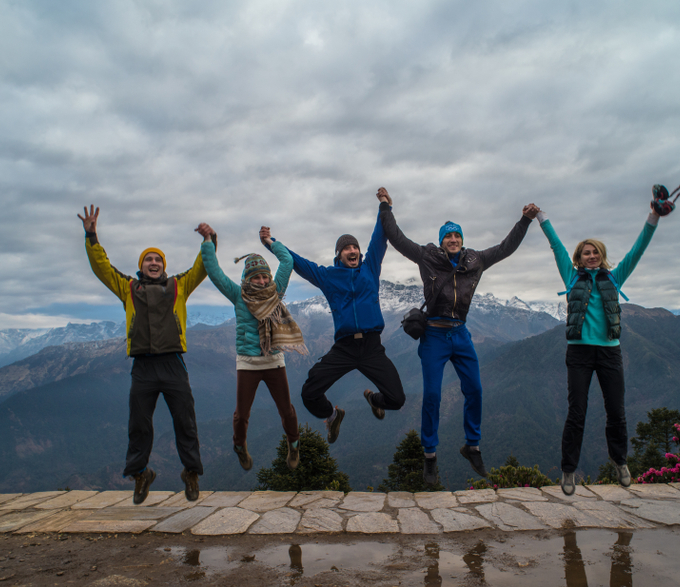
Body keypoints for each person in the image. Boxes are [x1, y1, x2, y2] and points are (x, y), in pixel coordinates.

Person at [377, 187, 539, 486]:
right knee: (433, 396)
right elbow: (397, 239)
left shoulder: (475, 260)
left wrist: (524, 222)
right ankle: (429, 457)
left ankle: (472, 446)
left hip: (461, 335)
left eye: (457, 236)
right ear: (441, 241)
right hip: (435, 335)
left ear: (462, 240)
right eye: (448, 236)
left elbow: (505, 248)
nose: (453, 240)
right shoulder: (427, 257)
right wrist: (386, 207)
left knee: (475, 390)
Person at [78, 204, 208, 504]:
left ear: (163, 265)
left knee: (185, 421)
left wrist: (208, 241)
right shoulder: (129, 288)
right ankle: (140, 475)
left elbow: (201, 267)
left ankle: (191, 472)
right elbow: (102, 268)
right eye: (148, 259)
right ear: (142, 266)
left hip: (173, 363)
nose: (153, 262)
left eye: (157, 259)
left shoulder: (178, 286)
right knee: (139, 424)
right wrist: (92, 237)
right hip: (143, 367)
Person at [537, 201, 663, 495]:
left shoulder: (614, 278)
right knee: (576, 412)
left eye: (595, 252)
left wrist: (654, 216)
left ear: (601, 256)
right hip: (579, 353)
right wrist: (542, 218)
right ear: (579, 257)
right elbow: (556, 247)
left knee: (616, 411)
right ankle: (568, 470)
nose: (591, 256)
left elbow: (638, 250)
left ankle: (620, 462)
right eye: (586, 252)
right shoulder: (571, 276)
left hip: (609, 352)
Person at [262, 199, 406, 444]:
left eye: (355, 247)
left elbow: (379, 239)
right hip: (345, 349)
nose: (352, 251)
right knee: (309, 393)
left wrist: (384, 207)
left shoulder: (370, 268)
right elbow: (298, 263)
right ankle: (332, 415)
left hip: (372, 348)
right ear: (339, 255)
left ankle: (374, 400)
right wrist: (271, 244)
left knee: (397, 399)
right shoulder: (328, 276)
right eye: (346, 248)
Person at [197, 223, 306, 472]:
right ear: (247, 279)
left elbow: (287, 262)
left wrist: (269, 242)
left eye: (264, 276)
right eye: (256, 276)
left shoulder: (275, 292)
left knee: (287, 410)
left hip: (274, 360)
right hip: (247, 363)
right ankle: (239, 446)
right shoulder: (238, 295)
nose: (261, 280)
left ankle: (294, 444)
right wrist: (207, 242)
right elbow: (215, 273)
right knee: (240, 416)